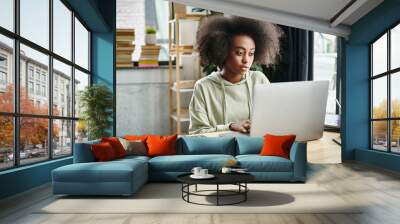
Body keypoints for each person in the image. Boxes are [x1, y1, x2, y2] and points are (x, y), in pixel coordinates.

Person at [188, 16, 282, 134]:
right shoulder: (203, 87)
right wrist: (230, 127)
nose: (246, 60)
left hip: (254, 148)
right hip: (220, 151)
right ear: (222, 51)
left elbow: (275, 121)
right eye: (240, 53)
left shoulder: (259, 80)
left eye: (251, 53)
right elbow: (196, 133)